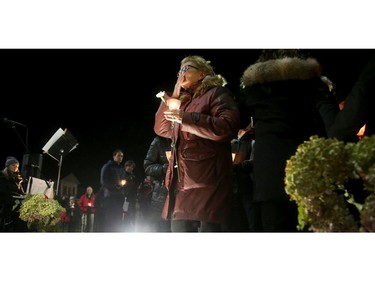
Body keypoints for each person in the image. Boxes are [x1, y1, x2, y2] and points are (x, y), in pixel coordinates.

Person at [239, 49, 338, 232]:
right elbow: (334, 126)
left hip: (268, 179)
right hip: (308, 172)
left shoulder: (254, 91)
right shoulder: (311, 84)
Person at [154, 55, 241, 232]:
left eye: (186, 68)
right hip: (182, 184)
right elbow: (162, 129)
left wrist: (185, 119)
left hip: (208, 182)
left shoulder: (217, 93)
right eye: (179, 70)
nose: (181, 73)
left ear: (202, 73)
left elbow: (227, 126)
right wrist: (175, 94)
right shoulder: (183, 102)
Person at [143, 135, 172, 232]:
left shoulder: (187, 137)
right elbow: (148, 166)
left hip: (184, 197)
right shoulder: (159, 141)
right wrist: (164, 168)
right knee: (162, 228)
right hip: (162, 196)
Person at [97, 149, 126, 232]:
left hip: (119, 197)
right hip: (109, 197)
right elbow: (103, 181)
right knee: (109, 220)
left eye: (122, 156)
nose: (120, 157)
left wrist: (122, 188)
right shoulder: (107, 166)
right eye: (118, 155)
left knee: (117, 219)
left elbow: (123, 180)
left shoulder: (121, 169)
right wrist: (115, 187)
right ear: (114, 156)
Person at [0, 156, 27, 231]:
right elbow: (3, 191)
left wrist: (25, 195)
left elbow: (21, 192)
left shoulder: (17, 178)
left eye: (17, 166)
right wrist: (18, 195)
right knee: (19, 211)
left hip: (15, 201)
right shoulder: (2, 176)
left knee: (26, 206)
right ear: (8, 166)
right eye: (13, 165)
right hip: (6, 201)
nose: (15, 167)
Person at [122, 160, 138, 232]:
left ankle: (130, 228)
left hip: (132, 198)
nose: (130, 168)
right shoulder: (122, 175)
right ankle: (123, 227)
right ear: (125, 167)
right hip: (125, 199)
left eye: (132, 167)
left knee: (131, 213)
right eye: (129, 166)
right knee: (124, 212)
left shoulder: (133, 176)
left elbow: (135, 186)